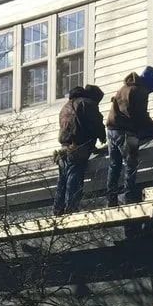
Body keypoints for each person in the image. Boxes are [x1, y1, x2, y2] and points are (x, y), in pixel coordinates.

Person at [105, 66, 153, 206]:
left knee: (114, 164)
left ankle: (111, 198)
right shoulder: (140, 91)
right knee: (131, 163)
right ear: (150, 82)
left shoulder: (125, 87)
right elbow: (141, 116)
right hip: (126, 131)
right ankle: (128, 196)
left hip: (111, 130)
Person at [53, 84, 105, 215]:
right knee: (74, 177)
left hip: (64, 148)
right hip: (78, 147)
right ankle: (71, 208)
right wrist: (101, 136)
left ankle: (58, 209)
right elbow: (95, 123)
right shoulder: (87, 103)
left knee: (62, 179)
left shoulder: (66, 106)